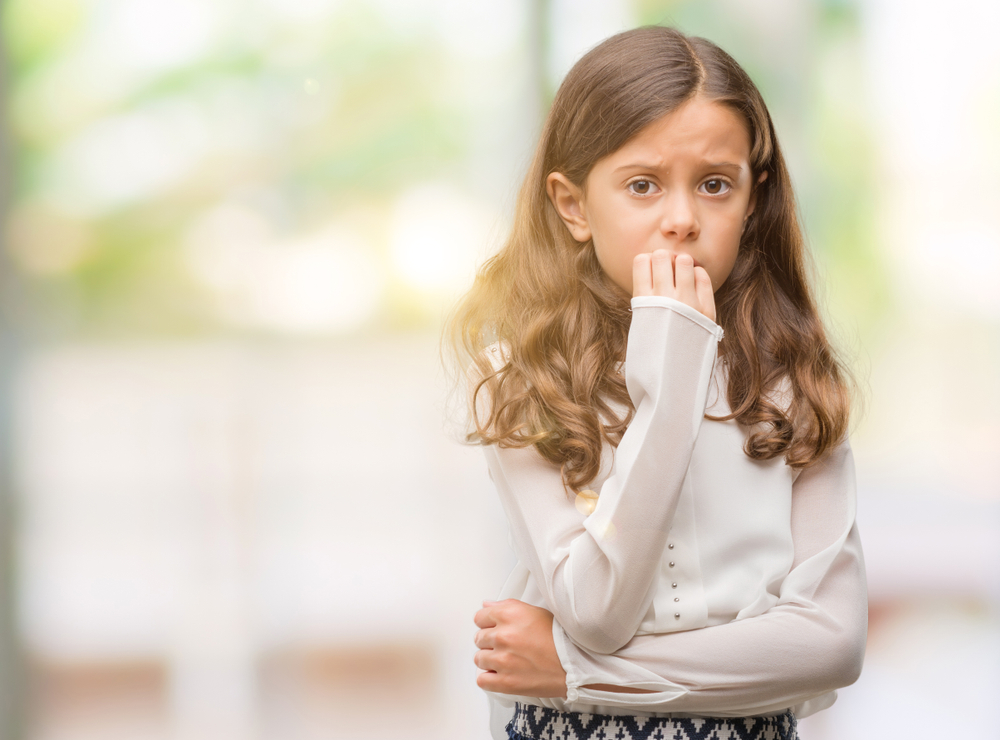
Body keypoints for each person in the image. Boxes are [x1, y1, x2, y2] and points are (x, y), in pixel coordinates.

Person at [447, 26, 867, 740]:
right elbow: (597, 609)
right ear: (574, 205)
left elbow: (830, 645)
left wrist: (576, 670)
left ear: (752, 199)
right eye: (642, 186)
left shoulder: (794, 380)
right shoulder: (522, 380)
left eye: (714, 185)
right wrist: (671, 382)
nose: (681, 220)